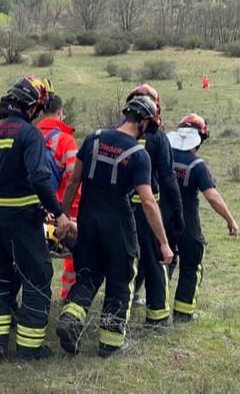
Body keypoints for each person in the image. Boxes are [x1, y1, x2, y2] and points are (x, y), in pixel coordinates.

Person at [56, 96, 174, 358]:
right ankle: (111, 343)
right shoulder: (139, 155)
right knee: (121, 280)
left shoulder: (93, 139)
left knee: (88, 275)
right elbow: (147, 200)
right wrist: (163, 243)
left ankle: (70, 320)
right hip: (118, 225)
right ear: (143, 121)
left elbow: (74, 181)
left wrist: (63, 216)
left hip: (87, 220)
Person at [0, 76, 74, 362]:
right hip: (21, 218)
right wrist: (58, 212)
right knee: (38, 276)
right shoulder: (30, 135)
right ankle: (30, 348)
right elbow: (40, 178)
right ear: (32, 107)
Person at [165, 113, 239, 322]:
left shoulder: (165, 157)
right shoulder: (197, 165)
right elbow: (212, 197)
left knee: (163, 263)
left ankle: (157, 311)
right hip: (187, 224)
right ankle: (184, 312)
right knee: (191, 264)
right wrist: (230, 220)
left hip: (162, 221)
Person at [125, 85, 184, 327]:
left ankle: (122, 310)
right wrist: (177, 212)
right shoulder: (158, 138)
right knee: (158, 258)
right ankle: (157, 316)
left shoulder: (116, 134)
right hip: (148, 207)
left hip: (121, 207)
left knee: (126, 260)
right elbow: (168, 179)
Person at [36, 91, 81, 301]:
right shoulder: (66, 141)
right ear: (60, 113)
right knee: (73, 260)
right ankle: (69, 297)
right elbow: (74, 181)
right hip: (63, 213)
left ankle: (35, 296)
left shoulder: (28, 135)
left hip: (34, 212)